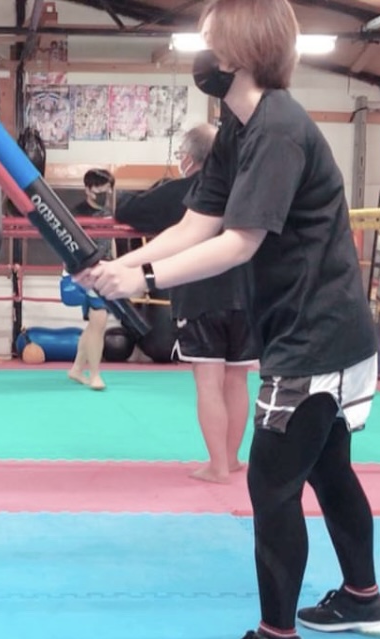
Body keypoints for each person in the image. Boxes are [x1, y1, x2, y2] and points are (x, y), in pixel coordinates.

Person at [77, 1, 380, 639]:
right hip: (315, 328)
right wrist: (121, 265)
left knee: (271, 483)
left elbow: (239, 243)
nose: (200, 52)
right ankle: (365, 598)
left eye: (207, 40)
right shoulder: (237, 127)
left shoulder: (278, 129)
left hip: (316, 334)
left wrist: (142, 280)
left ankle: (277, 638)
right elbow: (199, 223)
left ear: (240, 50)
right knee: (328, 469)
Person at [114, 123, 257, 484]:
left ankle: (218, 466)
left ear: (189, 159)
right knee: (237, 379)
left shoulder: (188, 190)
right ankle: (232, 459)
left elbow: (128, 209)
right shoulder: (245, 187)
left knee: (209, 381)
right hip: (247, 295)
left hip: (201, 297)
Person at [65, 168, 116, 390]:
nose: (106, 194)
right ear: (88, 189)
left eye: (108, 190)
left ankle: (77, 369)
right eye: (101, 190)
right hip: (83, 273)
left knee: (96, 323)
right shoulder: (76, 215)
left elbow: (110, 242)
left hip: (103, 271)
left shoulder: (108, 213)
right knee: (99, 320)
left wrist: (116, 265)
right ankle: (94, 374)